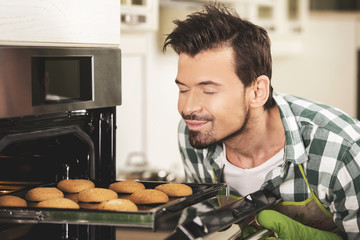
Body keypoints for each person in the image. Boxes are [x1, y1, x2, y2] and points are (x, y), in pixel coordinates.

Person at [162, 3, 360, 240]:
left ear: (257, 92)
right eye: (183, 89)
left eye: (209, 91)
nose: (188, 108)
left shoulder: (342, 149)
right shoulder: (194, 132)